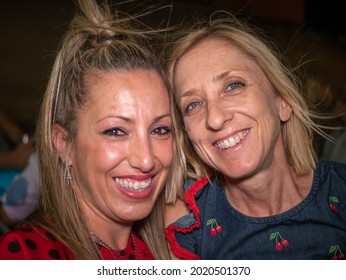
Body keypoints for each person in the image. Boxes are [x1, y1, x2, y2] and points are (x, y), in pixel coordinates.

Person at [0, 0, 184, 260]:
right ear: (63, 144)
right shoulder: (26, 255)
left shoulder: (173, 249)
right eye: (116, 131)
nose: (146, 159)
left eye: (160, 130)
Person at [164, 13, 346, 260]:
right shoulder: (187, 225)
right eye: (193, 104)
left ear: (282, 101)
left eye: (233, 86)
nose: (215, 119)